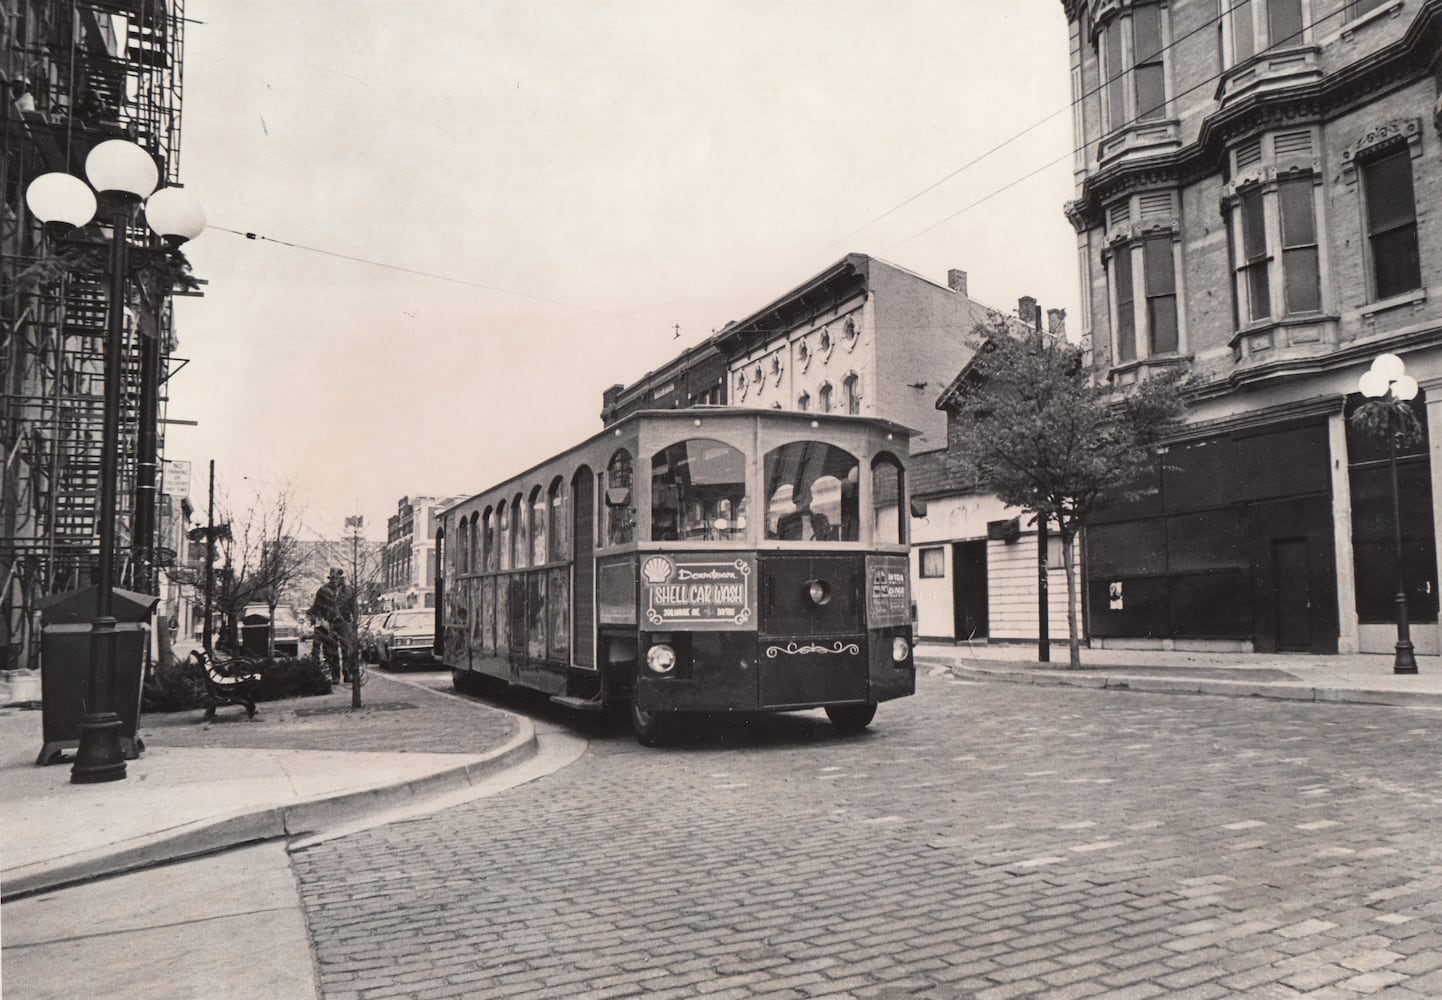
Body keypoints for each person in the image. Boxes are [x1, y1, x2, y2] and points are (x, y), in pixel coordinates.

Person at [308, 569, 355, 683]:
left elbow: (354, 607)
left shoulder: (349, 591)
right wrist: (320, 621)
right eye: (332, 578)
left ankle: (347, 673)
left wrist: (354, 622)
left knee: (347, 649)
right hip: (329, 623)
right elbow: (316, 608)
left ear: (342, 579)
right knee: (331, 650)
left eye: (338, 578)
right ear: (330, 578)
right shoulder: (323, 591)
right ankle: (335, 676)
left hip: (344, 623)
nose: (335, 580)